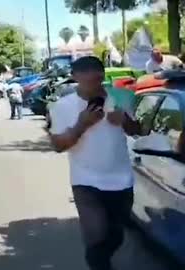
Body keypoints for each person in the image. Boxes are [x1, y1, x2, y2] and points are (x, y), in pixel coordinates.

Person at [48, 56, 141, 270]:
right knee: (96, 234)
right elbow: (58, 145)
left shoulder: (121, 97)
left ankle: (103, 259)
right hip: (86, 180)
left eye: (97, 81)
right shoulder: (63, 106)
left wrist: (125, 121)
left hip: (121, 179)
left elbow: (138, 129)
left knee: (116, 234)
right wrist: (81, 125)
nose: (93, 87)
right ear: (75, 78)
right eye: (86, 81)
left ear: (102, 77)